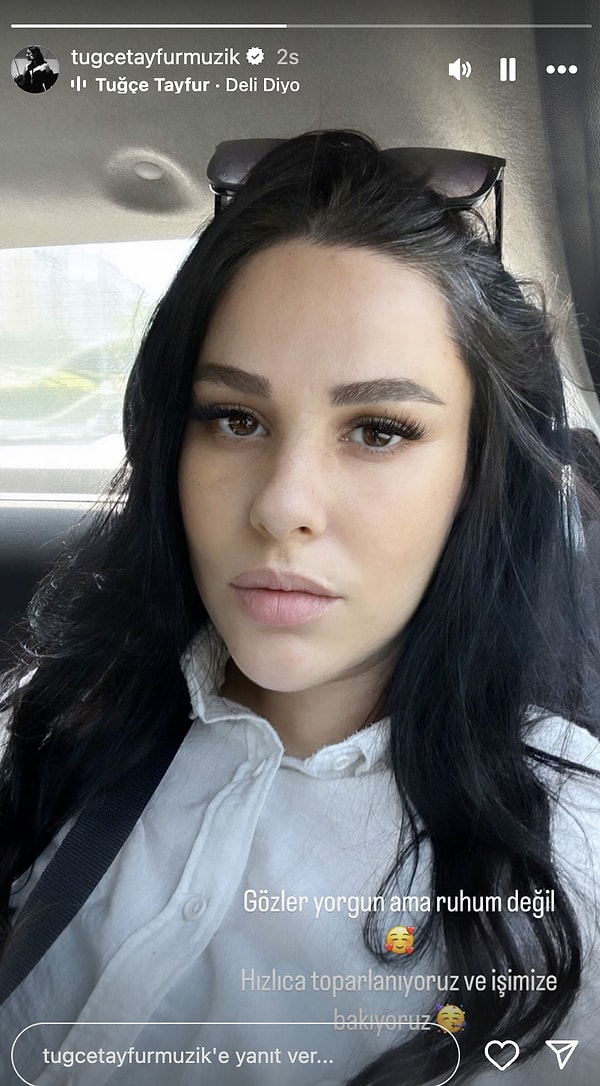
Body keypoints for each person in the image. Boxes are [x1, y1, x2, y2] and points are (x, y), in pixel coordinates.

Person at [0, 130, 599, 1086]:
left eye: (379, 430)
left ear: (479, 475)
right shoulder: (55, 723)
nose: (282, 505)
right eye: (234, 419)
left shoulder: (578, 864)